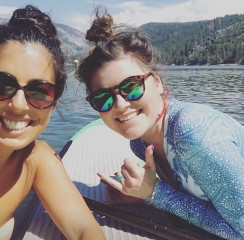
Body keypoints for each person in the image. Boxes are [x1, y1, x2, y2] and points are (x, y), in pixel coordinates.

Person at [77, 9, 244, 240]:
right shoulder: (140, 142)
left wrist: (154, 193)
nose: (120, 104)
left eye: (131, 87)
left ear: (156, 82)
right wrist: (140, 192)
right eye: (103, 98)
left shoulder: (193, 133)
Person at [0, 5, 105, 240]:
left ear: (53, 103)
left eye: (39, 92)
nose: (18, 104)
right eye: (2, 85)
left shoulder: (34, 161)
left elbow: (83, 230)